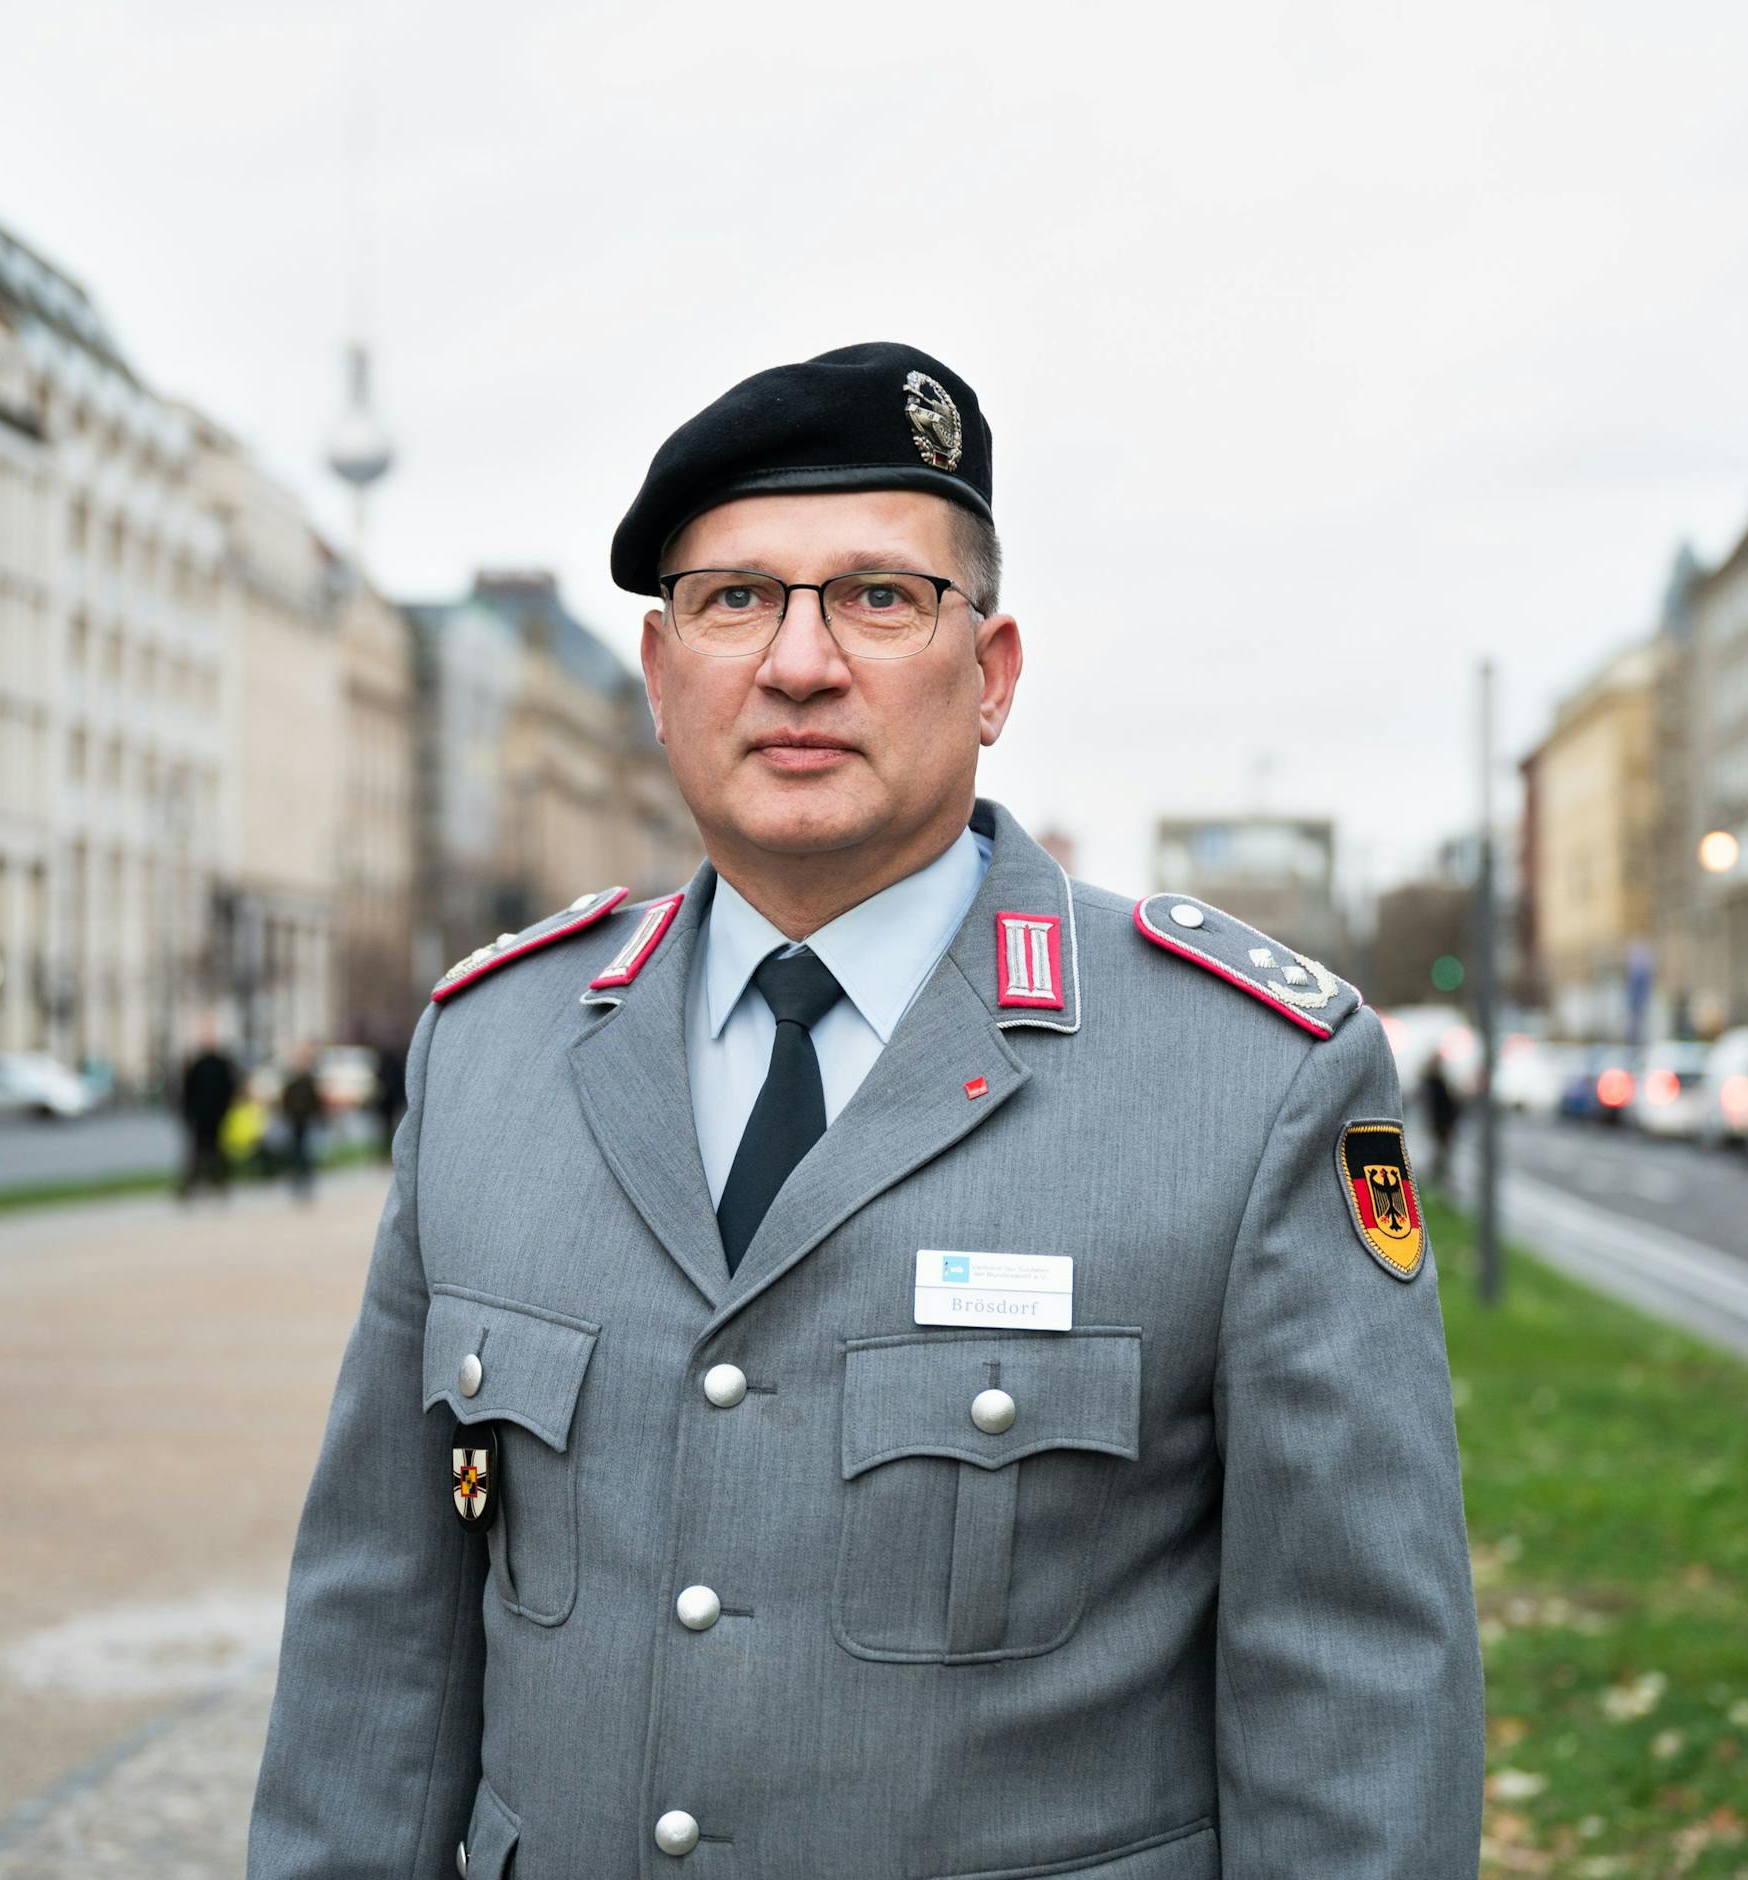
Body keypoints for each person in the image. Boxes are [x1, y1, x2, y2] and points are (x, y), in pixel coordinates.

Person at [249, 343, 1484, 1878]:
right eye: (735, 599)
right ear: (660, 676)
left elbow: (1356, 1704)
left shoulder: (1244, 1080)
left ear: (994, 672)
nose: (798, 663)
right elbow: (380, 1639)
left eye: (879, 597)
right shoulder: (491, 1050)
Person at [175, 1020, 236, 1201]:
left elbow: (228, 1089)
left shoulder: (217, 1064)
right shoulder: (200, 1065)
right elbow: (188, 1092)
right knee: (201, 1152)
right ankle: (198, 1185)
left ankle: (216, 1182)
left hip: (212, 1115)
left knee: (212, 1151)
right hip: (203, 1115)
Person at [278, 1044, 325, 1201]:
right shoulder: (293, 1083)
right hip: (295, 1120)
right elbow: (285, 1101)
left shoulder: (307, 1082)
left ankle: (304, 1181)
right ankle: (298, 1180)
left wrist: (318, 1116)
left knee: (303, 1152)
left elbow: (315, 1102)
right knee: (297, 1152)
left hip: (305, 1120)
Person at [1420, 1049, 1464, 1191]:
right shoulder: (1436, 1082)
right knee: (1441, 1151)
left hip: (1440, 1121)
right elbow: (1443, 1102)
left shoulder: (1431, 1081)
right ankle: (1438, 1178)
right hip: (1441, 1121)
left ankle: (1437, 1177)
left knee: (1440, 1151)